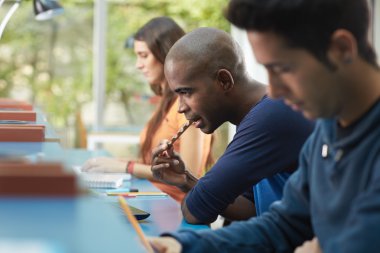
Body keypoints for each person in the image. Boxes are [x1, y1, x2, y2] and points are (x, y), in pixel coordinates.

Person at [149, 0, 380, 252]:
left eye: (282, 68)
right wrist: (183, 244)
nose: (276, 91)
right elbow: (284, 225)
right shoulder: (328, 130)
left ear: (341, 49)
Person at [150, 27, 314, 224]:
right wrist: (186, 180)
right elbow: (250, 208)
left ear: (224, 81)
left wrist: (198, 197)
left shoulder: (269, 116)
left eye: (186, 92)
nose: (181, 108)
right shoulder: (259, 115)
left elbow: (196, 212)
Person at [82, 17, 213, 203]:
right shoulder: (166, 103)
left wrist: (126, 166)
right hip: (154, 199)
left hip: (173, 208)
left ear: (165, 55)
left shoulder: (186, 106)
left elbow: (189, 173)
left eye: (144, 56)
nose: (138, 64)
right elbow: (153, 162)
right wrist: (115, 163)